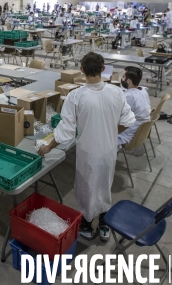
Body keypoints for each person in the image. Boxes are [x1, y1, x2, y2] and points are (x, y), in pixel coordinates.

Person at [39, 53, 135, 242]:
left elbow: (65, 131)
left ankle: (86, 225)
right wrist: (110, 131)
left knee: (86, 188)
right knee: (104, 185)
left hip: (88, 153)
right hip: (109, 151)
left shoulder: (75, 96)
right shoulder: (116, 92)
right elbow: (129, 121)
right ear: (102, 68)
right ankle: (104, 224)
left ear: (81, 70)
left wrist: (48, 147)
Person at [118, 67, 151, 146]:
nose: (121, 79)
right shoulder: (143, 91)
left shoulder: (129, 97)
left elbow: (118, 116)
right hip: (141, 130)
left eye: (123, 77)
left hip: (127, 133)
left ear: (128, 81)